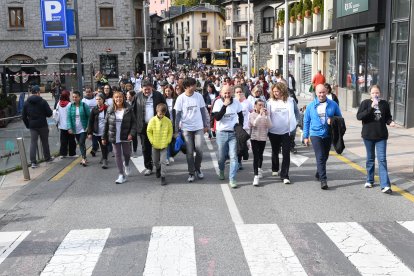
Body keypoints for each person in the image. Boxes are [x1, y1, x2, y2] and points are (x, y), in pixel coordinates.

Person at [356, 85, 395, 194]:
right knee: (370, 159)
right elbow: (359, 116)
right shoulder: (365, 103)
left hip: (381, 136)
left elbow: (387, 117)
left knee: (382, 159)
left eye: (377, 93)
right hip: (368, 135)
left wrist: (390, 122)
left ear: (380, 93)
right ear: (370, 94)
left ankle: (385, 185)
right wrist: (371, 107)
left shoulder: (384, 104)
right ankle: (369, 180)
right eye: (373, 93)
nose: (375, 95)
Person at [303, 84, 342, 190]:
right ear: (316, 93)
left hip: (328, 134)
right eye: (319, 92)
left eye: (323, 92)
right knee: (320, 156)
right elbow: (306, 121)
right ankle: (323, 180)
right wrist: (305, 136)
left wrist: (332, 119)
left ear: (326, 92)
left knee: (325, 156)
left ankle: (318, 172)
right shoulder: (311, 106)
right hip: (315, 134)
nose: (321, 94)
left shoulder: (333, 104)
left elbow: (340, 118)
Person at [174, 77, 209, 182]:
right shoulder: (180, 98)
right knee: (189, 152)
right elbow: (178, 115)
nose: (195, 86)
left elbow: (203, 111)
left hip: (198, 127)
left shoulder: (198, 96)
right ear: (187, 87)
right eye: (193, 85)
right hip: (186, 128)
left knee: (199, 150)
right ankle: (191, 172)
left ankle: (198, 168)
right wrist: (176, 129)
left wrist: (206, 125)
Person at [133, 80, 169, 175]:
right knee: (145, 148)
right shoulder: (137, 96)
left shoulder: (158, 95)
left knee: (158, 147)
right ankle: (148, 167)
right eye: (145, 89)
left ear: (152, 87)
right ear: (142, 88)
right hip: (143, 126)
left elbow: (165, 109)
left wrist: (168, 123)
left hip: (157, 126)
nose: (147, 91)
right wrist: (134, 125)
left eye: (148, 89)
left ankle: (158, 166)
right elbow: (133, 111)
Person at [212, 85, 243, 188]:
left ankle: (232, 178)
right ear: (221, 93)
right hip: (221, 133)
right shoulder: (218, 102)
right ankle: (221, 170)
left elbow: (241, 115)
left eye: (229, 93)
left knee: (234, 156)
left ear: (232, 93)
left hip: (233, 133)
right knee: (221, 157)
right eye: (225, 93)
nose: (227, 95)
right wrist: (224, 106)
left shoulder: (236, 102)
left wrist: (240, 128)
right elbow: (217, 118)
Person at [102, 91, 137, 183]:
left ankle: (127, 164)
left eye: (120, 97)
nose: (118, 99)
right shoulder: (110, 110)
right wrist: (103, 137)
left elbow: (134, 123)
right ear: (114, 99)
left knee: (127, 153)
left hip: (125, 135)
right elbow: (106, 124)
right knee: (117, 154)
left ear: (123, 98)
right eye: (116, 97)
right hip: (114, 135)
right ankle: (121, 175)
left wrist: (131, 134)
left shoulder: (129, 109)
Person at [267, 83, 298, 184]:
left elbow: (297, 114)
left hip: (287, 132)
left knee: (286, 153)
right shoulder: (270, 102)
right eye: (274, 91)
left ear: (283, 91)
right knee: (275, 151)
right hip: (273, 131)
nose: (275, 93)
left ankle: (285, 175)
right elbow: (267, 116)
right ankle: (275, 168)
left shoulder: (290, 101)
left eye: (277, 91)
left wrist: (295, 125)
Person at [22, 85, 54, 168]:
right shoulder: (43, 101)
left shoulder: (26, 103)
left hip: (32, 125)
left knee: (33, 143)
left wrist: (28, 125)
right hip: (42, 124)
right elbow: (49, 113)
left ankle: (33, 162)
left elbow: (23, 116)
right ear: (38, 92)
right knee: (45, 142)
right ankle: (47, 158)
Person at [147, 103, 173, 185]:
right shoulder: (152, 120)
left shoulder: (168, 121)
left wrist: (168, 140)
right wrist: (152, 141)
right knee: (155, 161)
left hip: (164, 145)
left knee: (163, 161)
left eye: (163, 114)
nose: (161, 115)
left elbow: (170, 132)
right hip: (155, 145)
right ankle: (157, 169)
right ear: (156, 111)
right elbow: (149, 131)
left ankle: (163, 177)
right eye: (160, 114)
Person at [249, 99, 272, 186]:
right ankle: (256, 176)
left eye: (263, 105)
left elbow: (270, 126)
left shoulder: (265, 115)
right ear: (255, 106)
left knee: (260, 155)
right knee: (256, 156)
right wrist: (259, 115)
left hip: (263, 138)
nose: (261, 107)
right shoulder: (252, 114)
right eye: (259, 105)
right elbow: (254, 123)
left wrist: (267, 116)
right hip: (254, 138)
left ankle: (259, 168)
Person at [67, 91, 90, 167]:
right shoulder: (70, 106)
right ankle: (85, 157)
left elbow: (89, 117)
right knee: (81, 143)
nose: (74, 98)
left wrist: (88, 127)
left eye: (76, 97)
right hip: (75, 128)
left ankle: (83, 158)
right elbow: (68, 118)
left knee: (81, 142)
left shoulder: (84, 105)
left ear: (80, 97)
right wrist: (69, 127)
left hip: (83, 128)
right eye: (73, 97)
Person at [87, 93, 109, 169]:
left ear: (103, 100)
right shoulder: (94, 109)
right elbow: (90, 121)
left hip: (105, 131)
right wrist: (89, 133)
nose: (98, 101)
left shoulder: (107, 109)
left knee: (104, 146)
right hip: (97, 131)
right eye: (97, 99)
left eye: (100, 99)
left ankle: (105, 160)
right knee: (99, 145)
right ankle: (104, 156)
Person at [234, 85, 253, 170]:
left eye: (240, 92)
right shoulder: (233, 102)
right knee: (238, 145)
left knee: (244, 145)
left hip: (246, 126)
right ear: (234, 93)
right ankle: (238, 162)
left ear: (243, 92)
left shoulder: (247, 102)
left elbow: (252, 112)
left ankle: (240, 159)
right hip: (236, 127)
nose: (239, 93)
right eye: (237, 92)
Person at [55, 90, 76, 159]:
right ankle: (72, 153)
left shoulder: (58, 103)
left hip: (61, 125)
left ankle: (63, 153)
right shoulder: (70, 104)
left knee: (63, 140)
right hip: (69, 125)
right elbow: (72, 115)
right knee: (71, 140)